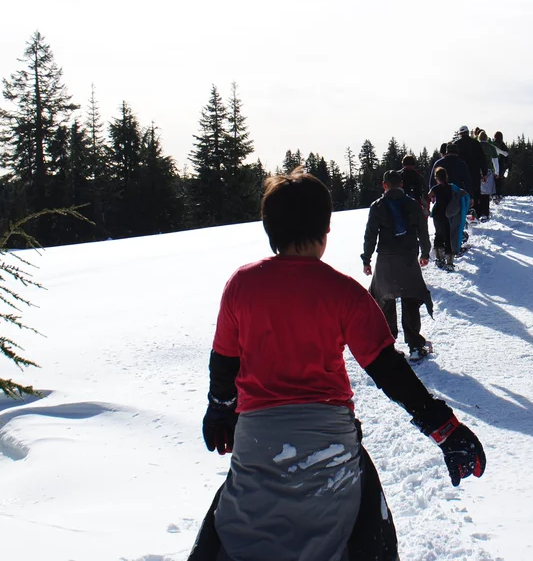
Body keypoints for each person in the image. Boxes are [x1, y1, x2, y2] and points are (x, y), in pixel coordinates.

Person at [192, 167, 486, 561]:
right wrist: (444, 428)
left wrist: (220, 409)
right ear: (326, 229)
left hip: (257, 439)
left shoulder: (241, 286)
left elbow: (224, 362)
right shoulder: (344, 292)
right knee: (370, 527)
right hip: (330, 440)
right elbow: (389, 370)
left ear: (269, 228)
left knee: (231, 522)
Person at [362, 170, 433, 362]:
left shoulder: (377, 206)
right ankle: (415, 347)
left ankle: (388, 347)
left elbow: (370, 235)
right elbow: (423, 231)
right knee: (410, 300)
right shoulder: (412, 204)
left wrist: (366, 259)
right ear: (401, 184)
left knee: (385, 301)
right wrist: (425, 253)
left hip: (385, 260)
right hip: (408, 258)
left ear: (384, 185)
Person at [430, 144, 473, 251]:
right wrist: (470, 197)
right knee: (455, 224)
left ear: (446, 151)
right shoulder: (461, 164)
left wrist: (433, 195)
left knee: (440, 225)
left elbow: (431, 182)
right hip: (456, 198)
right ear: (457, 152)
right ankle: (454, 247)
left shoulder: (438, 163)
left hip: (440, 199)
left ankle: (439, 248)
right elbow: (468, 181)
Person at [454, 125, 489, 218]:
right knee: (475, 193)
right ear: (468, 132)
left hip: (460, 175)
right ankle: (475, 213)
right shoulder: (475, 143)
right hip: (474, 173)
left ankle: (464, 214)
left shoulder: (456, 144)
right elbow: (482, 159)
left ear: (460, 134)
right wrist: (484, 173)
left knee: (462, 194)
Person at [428, 166, 454, 270]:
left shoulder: (435, 188)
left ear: (436, 178)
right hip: (449, 213)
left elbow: (428, 196)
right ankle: (450, 260)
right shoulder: (451, 187)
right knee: (448, 235)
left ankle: (439, 257)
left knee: (438, 234)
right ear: (446, 176)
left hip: (438, 213)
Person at [477, 131, 498, 220]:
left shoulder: (476, 146)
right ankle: (485, 212)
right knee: (485, 193)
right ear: (487, 138)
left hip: (477, 170)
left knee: (478, 192)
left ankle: (478, 212)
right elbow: (495, 161)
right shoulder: (491, 147)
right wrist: (497, 172)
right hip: (488, 171)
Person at [400, 154, 429, 219]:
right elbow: (425, 190)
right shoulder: (419, 176)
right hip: (416, 203)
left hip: (402, 204)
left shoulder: (399, 175)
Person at [492, 131, 509, 201]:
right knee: (500, 180)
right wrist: (507, 165)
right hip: (501, 165)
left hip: (493, 165)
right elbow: (507, 155)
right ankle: (499, 194)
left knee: (494, 181)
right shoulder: (503, 145)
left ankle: (494, 194)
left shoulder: (493, 144)